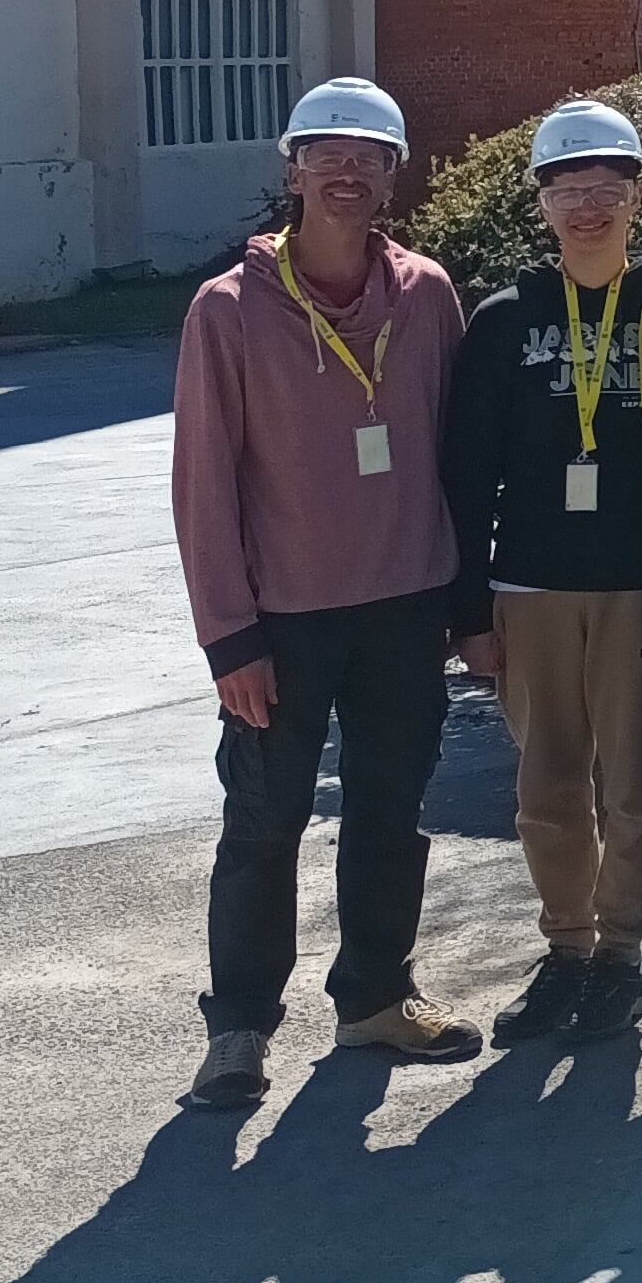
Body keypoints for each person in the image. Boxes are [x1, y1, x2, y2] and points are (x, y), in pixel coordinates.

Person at [171, 79, 483, 1111]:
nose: (348, 172)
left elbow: (452, 455)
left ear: (395, 175)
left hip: (405, 611)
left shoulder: (428, 292)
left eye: (370, 156)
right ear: (292, 168)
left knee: (391, 815)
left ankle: (375, 1000)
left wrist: (459, 601)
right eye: (327, 154)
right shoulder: (227, 310)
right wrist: (229, 638)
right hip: (282, 624)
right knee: (263, 826)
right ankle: (241, 1028)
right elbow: (204, 486)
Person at [442, 98, 642, 1049]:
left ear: (636, 195)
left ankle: (623, 954)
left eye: (607, 189)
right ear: (541, 203)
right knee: (547, 790)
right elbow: (466, 472)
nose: (589, 207)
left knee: (636, 784)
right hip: (532, 587)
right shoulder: (504, 321)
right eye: (568, 190)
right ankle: (567, 950)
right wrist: (470, 609)